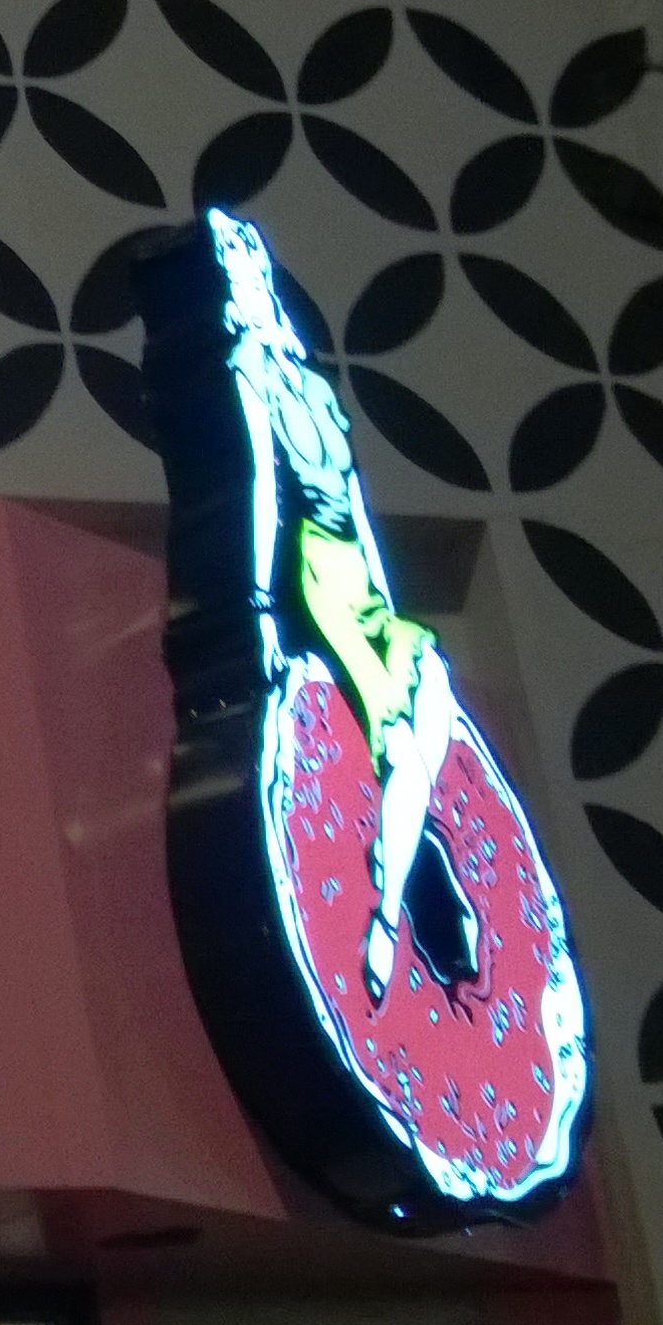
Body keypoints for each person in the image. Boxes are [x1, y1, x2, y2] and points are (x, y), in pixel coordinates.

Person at [204, 209, 479, 1012]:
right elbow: (262, 483)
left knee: (429, 692)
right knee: (401, 747)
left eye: (254, 255)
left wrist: (386, 602)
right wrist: (260, 603)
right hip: (316, 570)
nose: (251, 267)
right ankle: (393, 913)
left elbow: (355, 500)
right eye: (237, 258)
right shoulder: (247, 366)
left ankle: (401, 875)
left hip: (360, 574)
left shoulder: (316, 385)